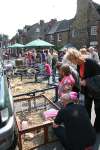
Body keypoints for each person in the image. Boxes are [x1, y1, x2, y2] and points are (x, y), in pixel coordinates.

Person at [66, 48, 100, 132]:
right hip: (87, 91)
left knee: (98, 111)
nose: (71, 63)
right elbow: (81, 79)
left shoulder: (90, 62)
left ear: (75, 57)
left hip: (98, 92)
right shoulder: (78, 64)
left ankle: (97, 129)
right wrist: (73, 92)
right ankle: (87, 127)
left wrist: (87, 81)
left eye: (71, 60)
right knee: (86, 110)